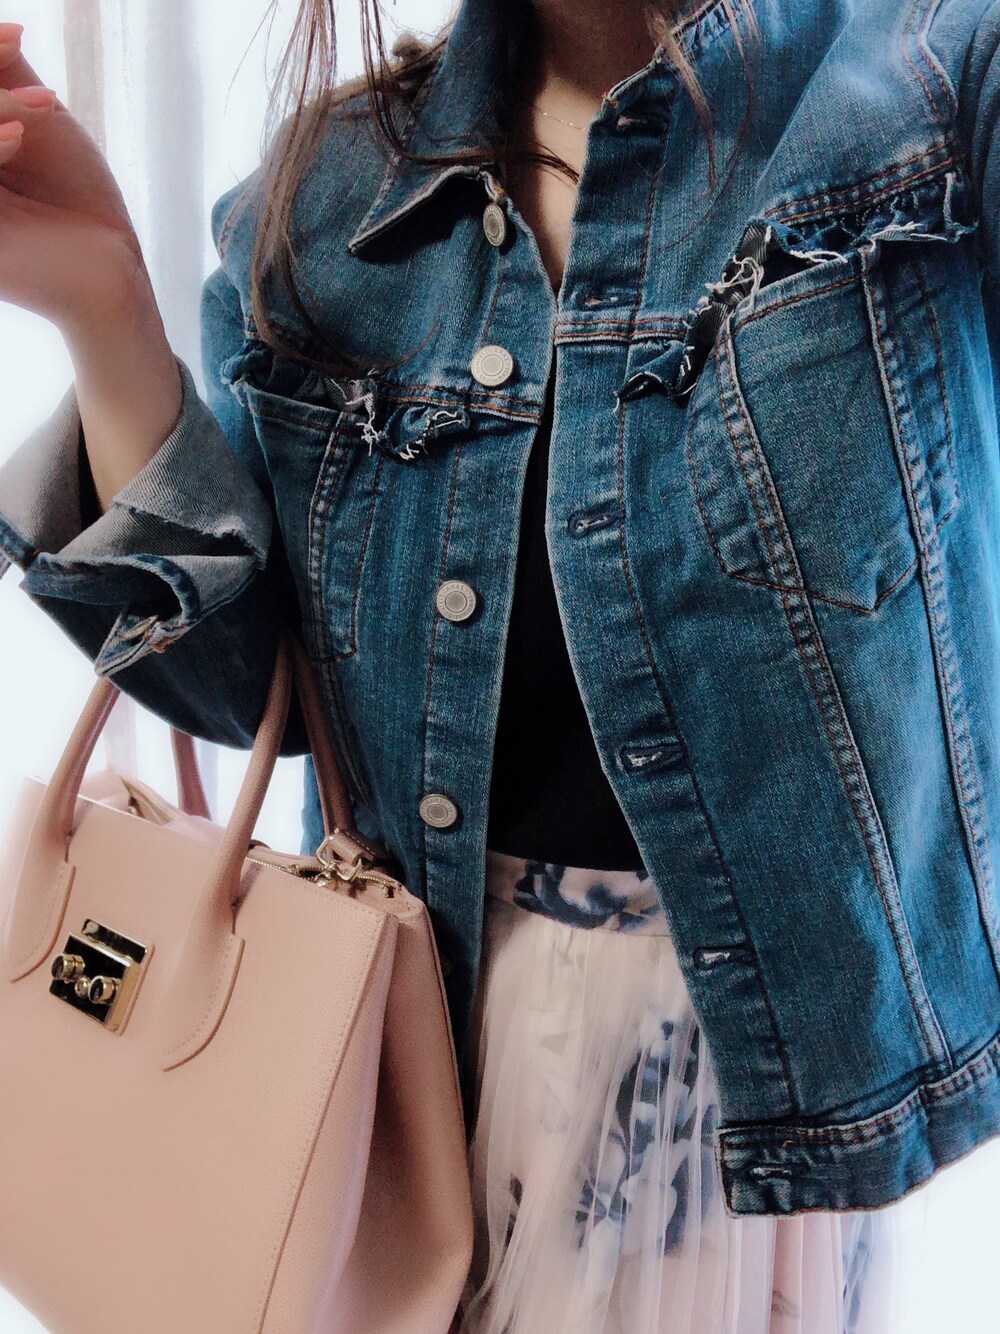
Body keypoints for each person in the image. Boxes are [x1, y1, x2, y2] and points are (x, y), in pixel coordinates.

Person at [1, 0, 1000, 1328]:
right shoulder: (332, 188)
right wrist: (102, 298)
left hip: (770, 1118)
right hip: (413, 1094)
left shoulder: (929, 82)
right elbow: (234, 688)